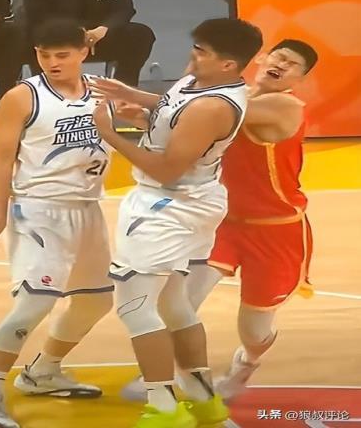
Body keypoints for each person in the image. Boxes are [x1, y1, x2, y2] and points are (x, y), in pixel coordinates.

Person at [121, 39, 319, 405]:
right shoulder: (231, 97)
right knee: (181, 299)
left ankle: (247, 363)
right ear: (262, 58)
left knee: (254, 330)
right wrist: (147, 120)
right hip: (223, 222)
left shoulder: (284, 106)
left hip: (276, 230)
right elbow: (193, 127)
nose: (281, 64)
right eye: (278, 56)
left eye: (292, 64)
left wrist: (141, 97)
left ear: (300, 80)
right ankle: (160, 375)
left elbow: (210, 111)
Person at [90, 18, 263, 427]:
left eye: (202, 51)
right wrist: (132, 97)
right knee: (173, 304)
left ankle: (164, 407)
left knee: (134, 306)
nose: (193, 55)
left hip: (169, 204)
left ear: (228, 64)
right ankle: (204, 401)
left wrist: (109, 134)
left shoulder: (213, 107)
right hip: (186, 201)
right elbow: (171, 109)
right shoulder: (198, 83)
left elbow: (167, 169)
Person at [0, 19, 114, 428]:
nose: (52, 62)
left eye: (62, 55)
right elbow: (0, 159)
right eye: (44, 55)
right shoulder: (22, 97)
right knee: (36, 303)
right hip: (39, 210)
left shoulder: (104, 92)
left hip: (88, 208)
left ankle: (43, 371)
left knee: (97, 300)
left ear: (84, 52)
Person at [23, 0, 155, 86]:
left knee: (140, 34)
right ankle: (44, 90)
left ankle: (123, 91)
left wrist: (105, 28)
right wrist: (74, 31)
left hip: (100, 36)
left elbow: (125, 9)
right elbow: (36, 13)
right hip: (57, 34)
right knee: (26, 37)